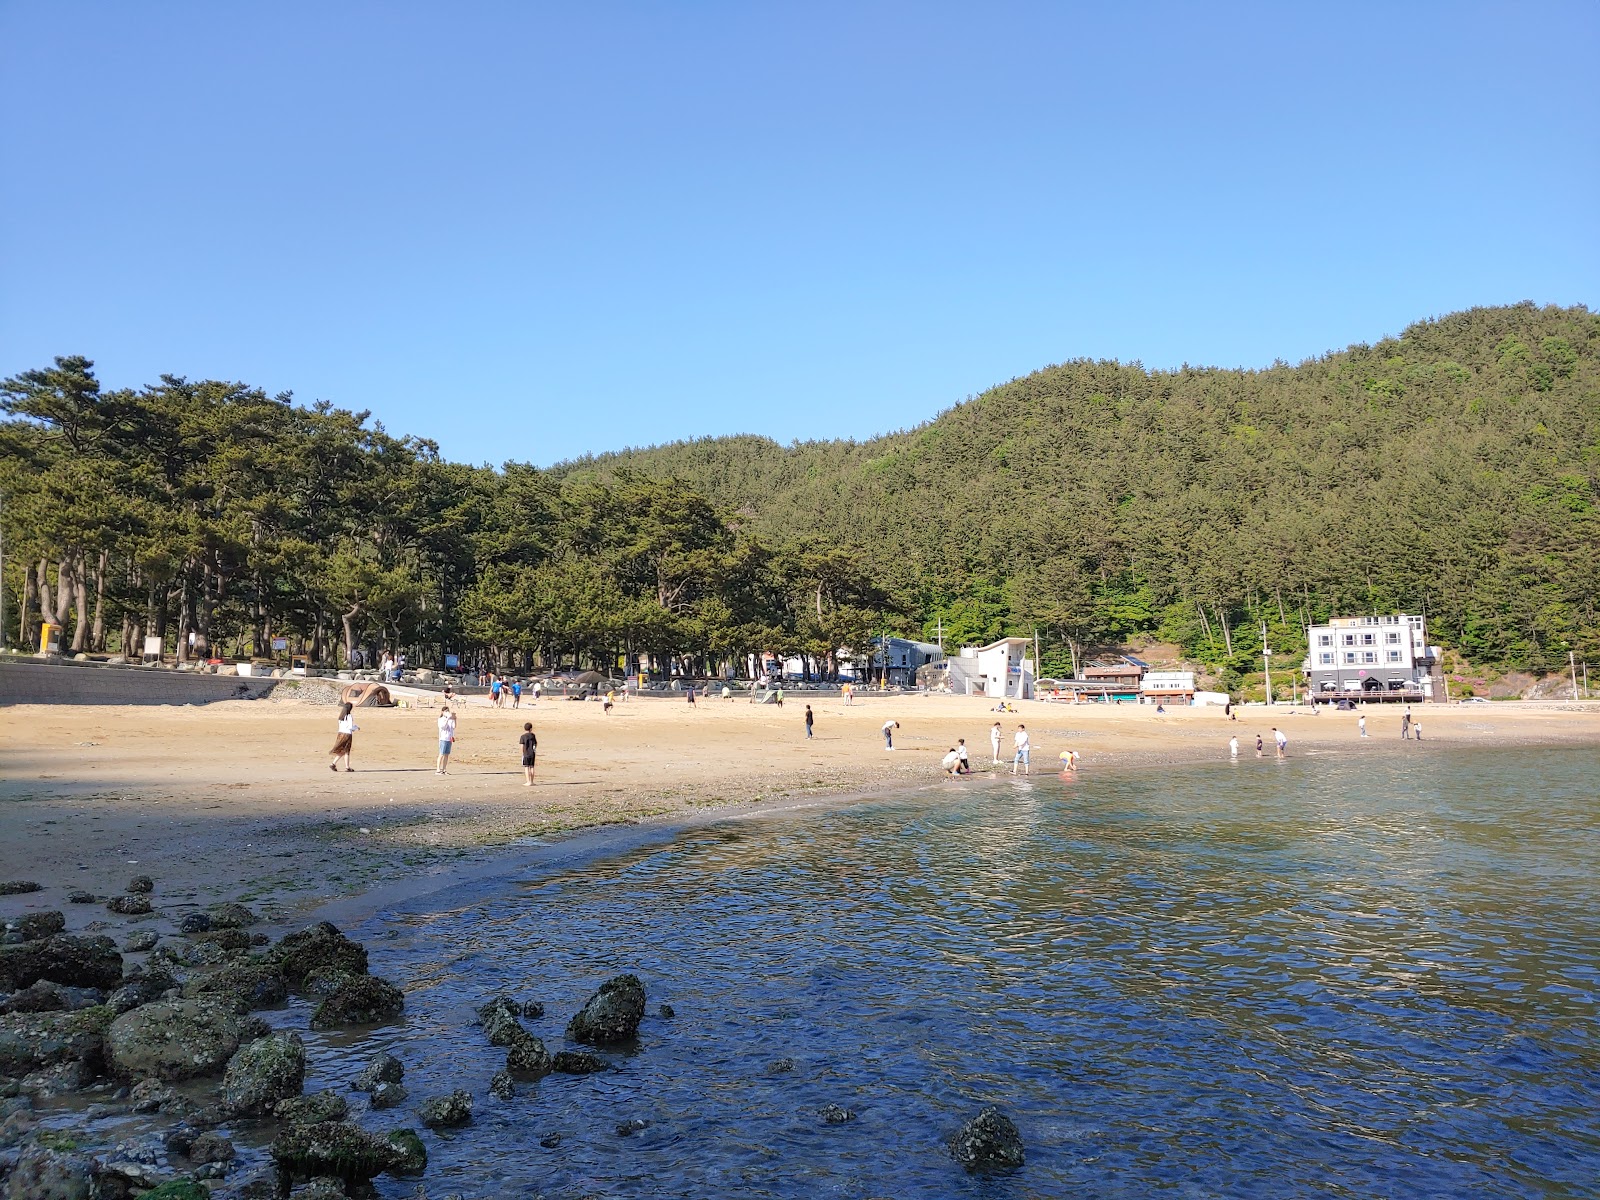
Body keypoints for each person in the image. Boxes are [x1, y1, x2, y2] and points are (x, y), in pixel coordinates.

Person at [329, 703, 358, 772]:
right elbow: (350, 727)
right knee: (346, 750)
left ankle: (333, 764)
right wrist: (356, 727)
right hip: (347, 734)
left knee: (343, 750)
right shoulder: (349, 716)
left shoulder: (341, 716)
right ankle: (347, 767)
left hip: (340, 734)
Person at [436, 707, 457, 775]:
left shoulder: (450, 720)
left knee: (446, 755)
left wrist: (454, 719)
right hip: (443, 738)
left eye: (448, 711)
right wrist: (447, 718)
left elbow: (453, 727)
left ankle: (444, 769)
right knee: (441, 754)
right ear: (442, 712)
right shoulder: (440, 719)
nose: (447, 712)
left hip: (449, 738)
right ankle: (438, 769)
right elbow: (443, 727)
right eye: (445, 711)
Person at [519, 722, 537, 786]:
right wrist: (534, 751)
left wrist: (523, 753)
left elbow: (522, 746)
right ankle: (532, 781)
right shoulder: (533, 735)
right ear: (531, 729)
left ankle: (528, 781)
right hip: (532, 753)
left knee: (526, 767)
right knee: (532, 767)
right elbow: (535, 744)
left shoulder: (523, 736)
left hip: (526, 753)